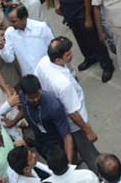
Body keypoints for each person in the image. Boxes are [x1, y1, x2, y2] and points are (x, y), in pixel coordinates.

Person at [35, 36, 101, 169]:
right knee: (88, 151)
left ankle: (75, 160)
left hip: (59, 116)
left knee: (75, 145)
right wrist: (88, 130)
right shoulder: (63, 84)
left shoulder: (43, 62)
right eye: (68, 54)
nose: (71, 55)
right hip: (75, 122)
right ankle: (100, 173)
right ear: (58, 59)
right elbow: (73, 113)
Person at [0, 4, 54, 75]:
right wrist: (2, 49)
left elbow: (53, 49)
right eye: (9, 21)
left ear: (24, 18)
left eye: (14, 21)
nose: (10, 24)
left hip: (48, 72)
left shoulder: (41, 27)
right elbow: (9, 59)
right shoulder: (10, 33)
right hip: (30, 77)